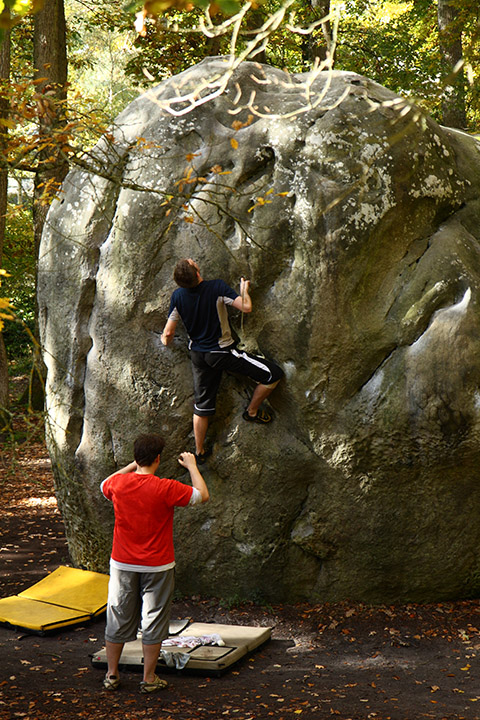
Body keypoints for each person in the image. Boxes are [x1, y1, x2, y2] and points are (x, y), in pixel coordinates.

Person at [100, 433, 209, 693]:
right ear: (158, 459)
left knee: (117, 615)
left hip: (123, 564)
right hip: (157, 566)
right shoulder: (166, 488)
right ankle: (148, 679)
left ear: (137, 458)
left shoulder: (119, 484)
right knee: (154, 618)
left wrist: (132, 466)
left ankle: (111, 675)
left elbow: (105, 482)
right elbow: (202, 495)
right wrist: (192, 465)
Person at [161, 258, 284, 463]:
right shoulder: (215, 287)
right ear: (197, 272)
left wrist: (166, 341)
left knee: (202, 406)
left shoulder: (178, 296)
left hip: (198, 356)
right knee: (273, 374)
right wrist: (244, 289)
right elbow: (245, 307)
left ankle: (199, 452)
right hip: (221, 352)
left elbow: (167, 333)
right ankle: (252, 412)